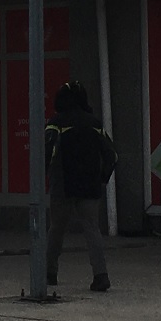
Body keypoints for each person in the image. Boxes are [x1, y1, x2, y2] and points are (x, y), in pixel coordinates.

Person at [44, 79, 118, 293]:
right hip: (89, 186)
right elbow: (112, 156)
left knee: (56, 228)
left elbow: (47, 152)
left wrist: (44, 177)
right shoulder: (94, 123)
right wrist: (102, 178)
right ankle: (101, 276)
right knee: (92, 229)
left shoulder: (56, 122)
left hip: (63, 185)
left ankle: (49, 273)